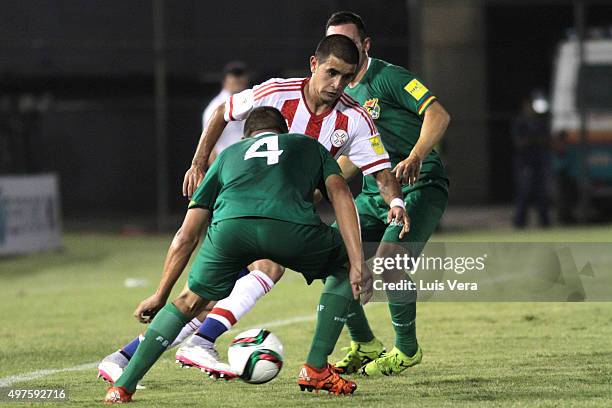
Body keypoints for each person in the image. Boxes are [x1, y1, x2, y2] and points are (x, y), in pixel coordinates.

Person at [98, 34, 409, 382]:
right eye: (332, 73)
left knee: (205, 294)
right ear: (313, 65)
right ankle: (202, 342)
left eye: (347, 77)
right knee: (272, 268)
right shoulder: (276, 91)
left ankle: (125, 358)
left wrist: (395, 200)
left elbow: (382, 174)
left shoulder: (353, 118)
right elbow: (222, 112)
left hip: (286, 212)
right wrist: (199, 162)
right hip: (248, 200)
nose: (338, 84)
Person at [103, 107, 371, 403]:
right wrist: (357, 262)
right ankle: (316, 367)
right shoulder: (306, 144)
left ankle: (122, 387)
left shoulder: (229, 155)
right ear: (283, 131)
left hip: (230, 230)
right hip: (289, 228)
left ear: (247, 136)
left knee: (188, 301)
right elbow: (341, 194)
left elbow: (186, 235)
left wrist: (159, 293)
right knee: (344, 264)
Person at [325, 11, 451, 376]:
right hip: (372, 192)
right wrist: (320, 187)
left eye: (348, 44)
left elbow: (438, 115)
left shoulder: (388, 77)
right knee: (334, 258)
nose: (340, 52)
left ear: (365, 45)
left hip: (420, 183)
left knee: (390, 261)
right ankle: (363, 343)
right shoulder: (341, 94)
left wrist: (415, 155)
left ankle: (407, 350)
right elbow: (353, 157)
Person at [512, 97, 550, 228]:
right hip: (525, 162)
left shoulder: (540, 122)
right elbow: (519, 143)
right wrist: (532, 140)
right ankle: (519, 222)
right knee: (524, 191)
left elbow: (546, 140)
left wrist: (536, 140)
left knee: (542, 192)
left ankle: (545, 221)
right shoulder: (520, 122)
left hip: (538, 161)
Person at [202, 61, 249, 165]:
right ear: (225, 80)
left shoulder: (252, 102)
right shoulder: (215, 108)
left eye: (241, 75)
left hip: (248, 163)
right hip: (227, 165)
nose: (238, 79)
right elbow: (208, 145)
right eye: (234, 75)